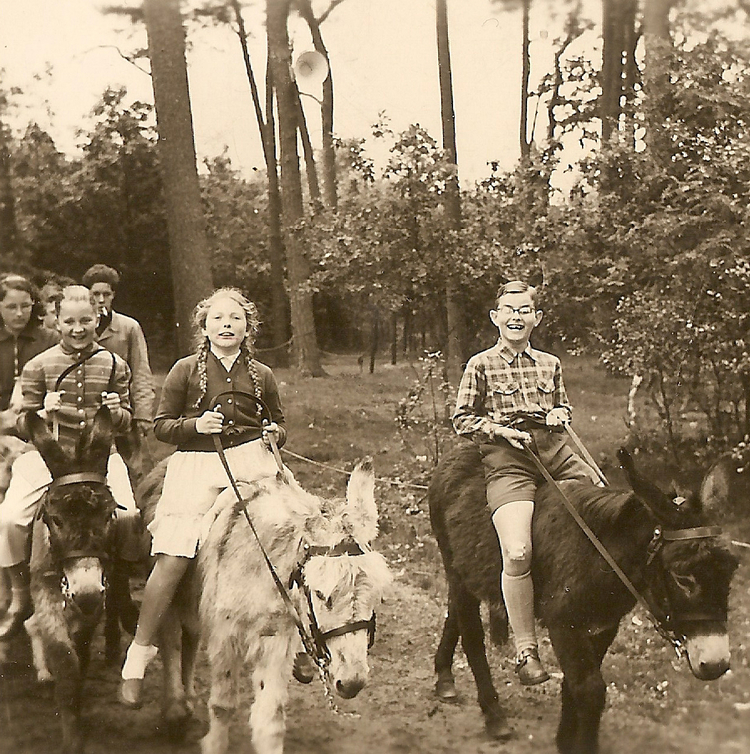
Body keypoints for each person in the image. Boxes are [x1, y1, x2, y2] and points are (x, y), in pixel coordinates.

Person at [120, 287, 286, 708]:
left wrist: (274, 435)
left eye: (235, 318)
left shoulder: (262, 375)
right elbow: (161, 426)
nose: (226, 325)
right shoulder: (183, 370)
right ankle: (138, 657)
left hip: (252, 465)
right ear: (204, 327)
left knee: (286, 541)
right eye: (217, 318)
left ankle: (298, 641)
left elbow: (281, 423)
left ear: (248, 327)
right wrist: (196, 426)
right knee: (174, 556)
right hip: (197, 464)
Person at [452, 279, 598, 686]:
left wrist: (559, 415)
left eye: (524, 310)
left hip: (555, 454)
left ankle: (591, 611)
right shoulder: (479, 364)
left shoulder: (550, 364)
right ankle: (525, 650)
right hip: (508, 458)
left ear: (536, 318)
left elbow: (562, 404)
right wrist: (499, 431)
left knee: (603, 513)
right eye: (508, 310)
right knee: (517, 551)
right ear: (495, 317)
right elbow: (461, 419)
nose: (516, 317)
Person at [0, 285, 144, 638]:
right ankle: (20, 596)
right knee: (10, 519)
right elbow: (19, 423)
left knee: (128, 516)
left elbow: (126, 417)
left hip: (99, 455)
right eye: (69, 322)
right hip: (48, 454)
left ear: (98, 319)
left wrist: (116, 412)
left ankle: (120, 588)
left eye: (85, 321)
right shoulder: (38, 365)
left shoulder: (115, 364)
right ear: (57, 322)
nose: (78, 329)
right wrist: (40, 412)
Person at [81, 264, 156, 458]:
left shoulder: (128, 327)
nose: (100, 300)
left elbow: (141, 371)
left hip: (122, 412)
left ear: (113, 295)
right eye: (95, 294)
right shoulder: (78, 329)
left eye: (106, 294)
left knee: (130, 469)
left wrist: (143, 415)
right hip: (87, 411)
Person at [0, 274, 58, 418]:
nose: (19, 313)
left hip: (39, 421)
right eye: (11, 307)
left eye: (25, 306)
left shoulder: (50, 339)